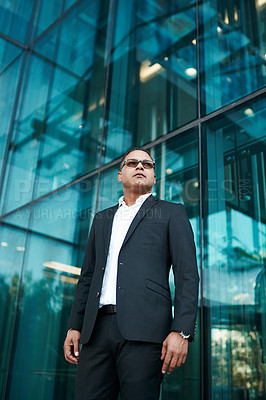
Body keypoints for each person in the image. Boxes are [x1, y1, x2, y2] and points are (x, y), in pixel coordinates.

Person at [63, 147, 199, 400]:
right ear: (119, 175)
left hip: (146, 331)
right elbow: (88, 277)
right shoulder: (101, 219)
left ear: (155, 177)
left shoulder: (171, 212)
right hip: (96, 332)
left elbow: (187, 275)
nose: (140, 167)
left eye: (147, 165)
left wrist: (181, 331)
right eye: (132, 163)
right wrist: (74, 326)